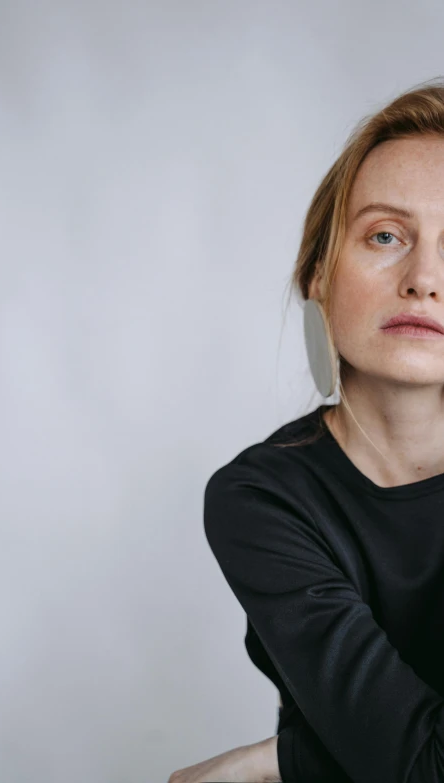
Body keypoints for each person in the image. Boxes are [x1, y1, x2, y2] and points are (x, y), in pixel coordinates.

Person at [167, 77, 444, 783]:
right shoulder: (261, 497)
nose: (425, 277)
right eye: (386, 235)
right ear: (318, 273)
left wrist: (291, 761)